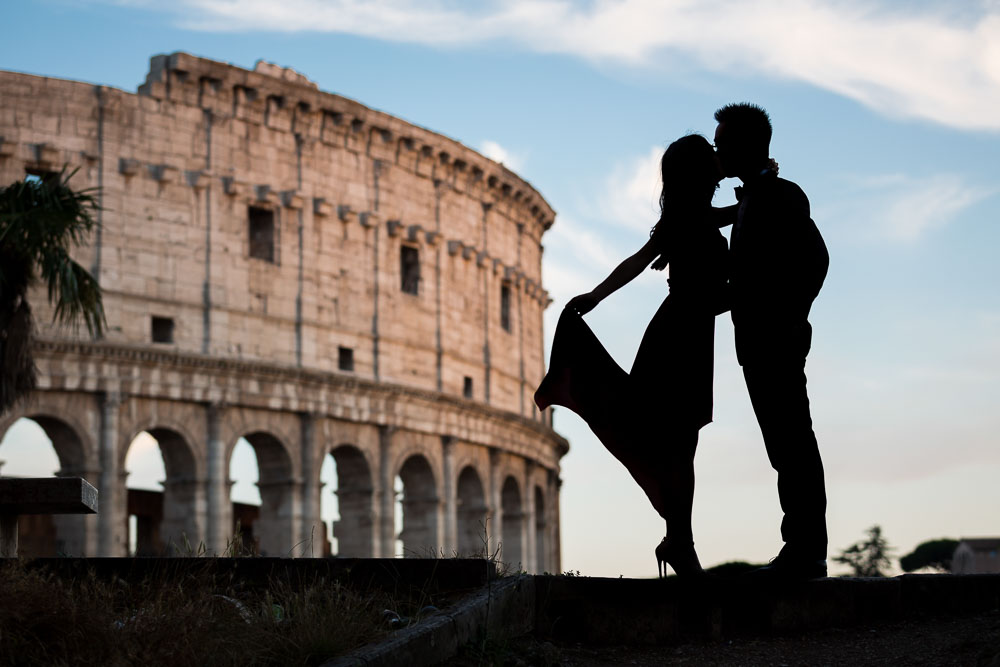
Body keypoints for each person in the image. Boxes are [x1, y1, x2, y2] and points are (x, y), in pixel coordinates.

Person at [534, 134, 728, 577]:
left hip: (691, 333)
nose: (720, 159)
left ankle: (679, 540)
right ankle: (681, 544)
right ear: (700, 170)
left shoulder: (699, 214)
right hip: (680, 334)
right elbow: (639, 262)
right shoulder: (687, 216)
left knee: (683, 444)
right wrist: (596, 297)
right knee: (679, 443)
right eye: (712, 156)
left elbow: (723, 220)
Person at [712, 103, 829, 580]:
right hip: (763, 340)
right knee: (786, 445)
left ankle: (804, 553)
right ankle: (802, 549)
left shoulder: (779, 197)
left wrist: (784, 313)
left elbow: (814, 262)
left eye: (722, 143)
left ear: (743, 146)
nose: (717, 151)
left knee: (792, 443)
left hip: (774, 339)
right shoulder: (757, 199)